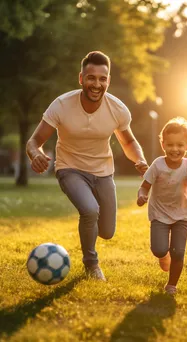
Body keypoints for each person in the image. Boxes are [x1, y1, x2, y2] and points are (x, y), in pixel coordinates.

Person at [26, 51, 148, 281]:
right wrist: (35, 154)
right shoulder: (61, 105)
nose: (97, 84)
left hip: (103, 172)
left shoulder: (117, 109)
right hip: (69, 168)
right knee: (90, 210)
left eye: (102, 79)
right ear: (81, 78)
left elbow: (129, 141)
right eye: (91, 78)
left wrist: (139, 159)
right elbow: (34, 141)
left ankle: (91, 243)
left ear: (108, 81)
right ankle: (91, 264)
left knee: (107, 232)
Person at [137, 117, 187, 295]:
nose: (175, 149)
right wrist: (142, 196)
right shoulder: (157, 165)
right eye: (170, 145)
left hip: (182, 214)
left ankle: (172, 285)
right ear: (163, 144)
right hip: (159, 213)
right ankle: (163, 256)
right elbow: (145, 186)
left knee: (178, 252)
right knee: (159, 249)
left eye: (180, 145)